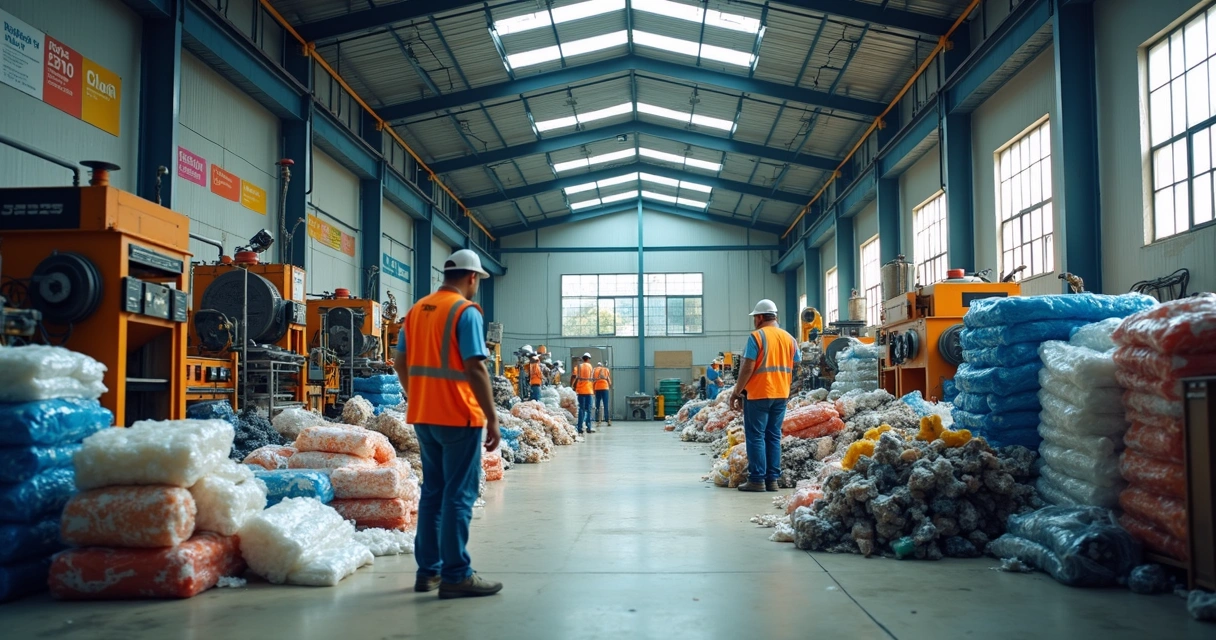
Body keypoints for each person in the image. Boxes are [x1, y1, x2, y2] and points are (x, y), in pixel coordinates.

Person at [395, 249, 503, 599]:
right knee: (459, 495)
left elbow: (400, 362)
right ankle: (457, 574)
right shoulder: (464, 312)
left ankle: (428, 572)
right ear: (472, 278)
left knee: (433, 493)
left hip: (424, 416)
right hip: (458, 416)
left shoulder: (416, 311)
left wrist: (418, 396)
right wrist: (492, 418)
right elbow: (475, 368)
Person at [729, 299, 799, 493]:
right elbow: (797, 364)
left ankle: (757, 479)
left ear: (759, 318)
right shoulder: (790, 338)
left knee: (756, 436)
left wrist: (737, 392)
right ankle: (772, 480)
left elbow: (748, 366)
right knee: (774, 436)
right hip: (781, 394)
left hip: (759, 393)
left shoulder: (757, 337)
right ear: (775, 316)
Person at [570, 353, 595, 434]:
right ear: (588, 359)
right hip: (589, 390)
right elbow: (592, 378)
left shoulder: (578, 367)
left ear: (583, 358)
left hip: (580, 390)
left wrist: (572, 386)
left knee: (581, 409)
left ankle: (580, 427)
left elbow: (574, 376)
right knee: (589, 410)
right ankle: (588, 427)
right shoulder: (590, 366)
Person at [592, 361, 612, 427]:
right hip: (605, 388)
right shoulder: (606, 370)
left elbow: (593, 380)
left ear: (597, 365)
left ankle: (598, 420)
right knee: (606, 404)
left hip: (597, 388)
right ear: (602, 365)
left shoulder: (594, 370)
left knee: (597, 405)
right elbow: (609, 380)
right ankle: (608, 420)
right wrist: (609, 385)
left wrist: (593, 390)